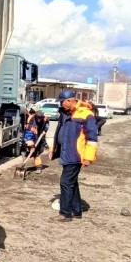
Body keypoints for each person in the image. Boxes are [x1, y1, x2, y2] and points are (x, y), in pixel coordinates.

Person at [50, 89, 98, 222]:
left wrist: (88, 157)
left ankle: (65, 213)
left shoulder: (85, 114)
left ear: (70, 100)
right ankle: (77, 211)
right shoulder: (65, 114)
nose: (61, 104)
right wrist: (53, 149)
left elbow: (92, 138)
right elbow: (59, 132)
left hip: (76, 154)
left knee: (65, 182)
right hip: (66, 152)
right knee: (72, 182)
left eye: (62, 102)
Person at [23, 108, 49, 173]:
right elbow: (28, 134)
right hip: (32, 136)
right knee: (28, 151)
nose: (39, 120)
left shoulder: (45, 118)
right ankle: (23, 164)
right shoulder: (31, 120)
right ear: (35, 117)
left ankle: (39, 167)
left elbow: (47, 125)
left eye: (40, 119)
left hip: (40, 135)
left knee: (37, 151)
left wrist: (45, 130)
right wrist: (31, 144)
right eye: (38, 119)